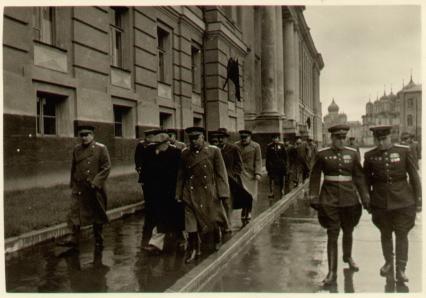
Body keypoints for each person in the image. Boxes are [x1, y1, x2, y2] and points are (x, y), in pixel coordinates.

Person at [309, 124, 370, 286]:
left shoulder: (352, 154)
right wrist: (314, 195)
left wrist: (364, 197)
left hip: (349, 199)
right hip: (329, 199)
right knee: (332, 233)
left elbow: (359, 177)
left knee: (348, 230)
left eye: (344, 138)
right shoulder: (322, 154)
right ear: (332, 138)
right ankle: (332, 272)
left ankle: (348, 256)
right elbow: (315, 175)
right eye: (338, 138)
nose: (341, 141)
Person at [364, 125, 421, 283]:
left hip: (403, 201)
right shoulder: (370, 156)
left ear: (390, 137)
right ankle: (388, 262)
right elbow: (366, 180)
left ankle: (401, 269)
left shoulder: (404, 151)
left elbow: (414, 177)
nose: (381, 143)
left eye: (384, 139)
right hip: (381, 202)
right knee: (385, 233)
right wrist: (367, 200)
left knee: (402, 234)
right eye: (379, 140)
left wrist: (419, 201)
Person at [176, 127, 230, 263]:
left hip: (209, 192)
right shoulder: (185, 153)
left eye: (196, 138)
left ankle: (217, 236)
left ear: (202, 137)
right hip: (190, 191)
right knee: (190, 221)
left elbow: (221, 173)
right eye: (191, 138)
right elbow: (181, 175)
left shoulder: (213, 151)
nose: (193, 141)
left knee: (212, 219)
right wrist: (178, 193)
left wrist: (223, 192)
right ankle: (194, 248)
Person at [65, 125, 111, 251]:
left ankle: (98, 238)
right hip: (79, 187)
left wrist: (96, 183)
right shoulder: (77, 149)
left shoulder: (101, 148)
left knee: (97, 213)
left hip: (94, 187)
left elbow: (106, 167)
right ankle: (74, 239)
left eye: (87, 135)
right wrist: (73, 182)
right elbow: (73, 167)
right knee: (75, 211)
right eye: (82, 135)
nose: (84, 138)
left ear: (92, 135)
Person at [142, 131, 183, 254]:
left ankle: (182, 238)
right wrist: (145, 186)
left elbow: (180, 174)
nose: (156, 146)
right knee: (159, 216)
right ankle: (156, 244)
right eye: (155, 144)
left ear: (166, 143)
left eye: (159, 144)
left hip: (172, 191)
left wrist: (179, 191)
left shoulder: (176, 153)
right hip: (155, 192)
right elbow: (145, 171)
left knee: (176, 217)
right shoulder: (150, 152)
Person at [216, 128, 250, 230]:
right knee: (218, 202)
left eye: (223, 138)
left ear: (227, 138)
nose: (221, 140)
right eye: (219, 138)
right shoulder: (215, 149)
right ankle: (221, 222)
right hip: (217, 179)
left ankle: (228, 223)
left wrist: (234, 174)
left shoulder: (233, 148)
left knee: (228, 202)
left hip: (230, 179)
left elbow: (239, 164)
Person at [134, 129, 158, 247]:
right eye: (148, 136)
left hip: (155, 177)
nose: (150, 138)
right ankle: (149, 208)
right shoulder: (142, 146)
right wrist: (139, 170)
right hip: (146, 176)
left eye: (152, 136)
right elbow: (138, 160)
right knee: (148, 196)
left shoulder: (157, 146)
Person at [235, 130, 262, 225]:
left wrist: (258, 173)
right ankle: (243, 210)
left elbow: (258, 160)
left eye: (245, 137)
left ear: (250, 137)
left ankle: (249, 211)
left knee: (250, 194)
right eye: (242, 137)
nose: (243, 139)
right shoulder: (236, 146)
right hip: (240, 174)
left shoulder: (256, 146)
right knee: (242, 193)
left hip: (251, 175)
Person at [266, 134, 288, 201]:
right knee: (271, 179)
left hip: (281, 165)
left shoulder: (281, 146)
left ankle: (282, 190)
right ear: (272, 139)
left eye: (276, 138)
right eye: (274, 138)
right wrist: (268, 166)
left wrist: (285, 165)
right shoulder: (269, 146)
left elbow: (285, 156)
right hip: (272, 165)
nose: (275, 139)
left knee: (281, 178)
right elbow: (267, 157)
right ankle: (271, 192)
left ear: (278, 139)